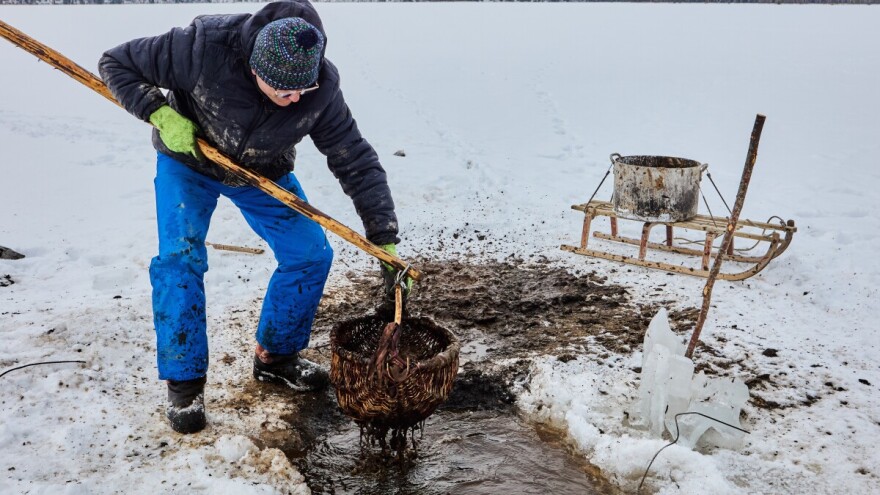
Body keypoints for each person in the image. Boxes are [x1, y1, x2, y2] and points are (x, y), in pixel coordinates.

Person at [99, 0, 409, 434]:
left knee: (311, 253)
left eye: (303, 90)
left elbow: (353, 158)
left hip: (261, 171)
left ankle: (276, 357)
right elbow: (116, 62)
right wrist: (161, 113)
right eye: (285, 92)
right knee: (180, 259)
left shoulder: (320, 88)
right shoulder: (202, 47)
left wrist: (384, 236)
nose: (296, 99)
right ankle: (185, 383)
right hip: (189, 160)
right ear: (255, 69)